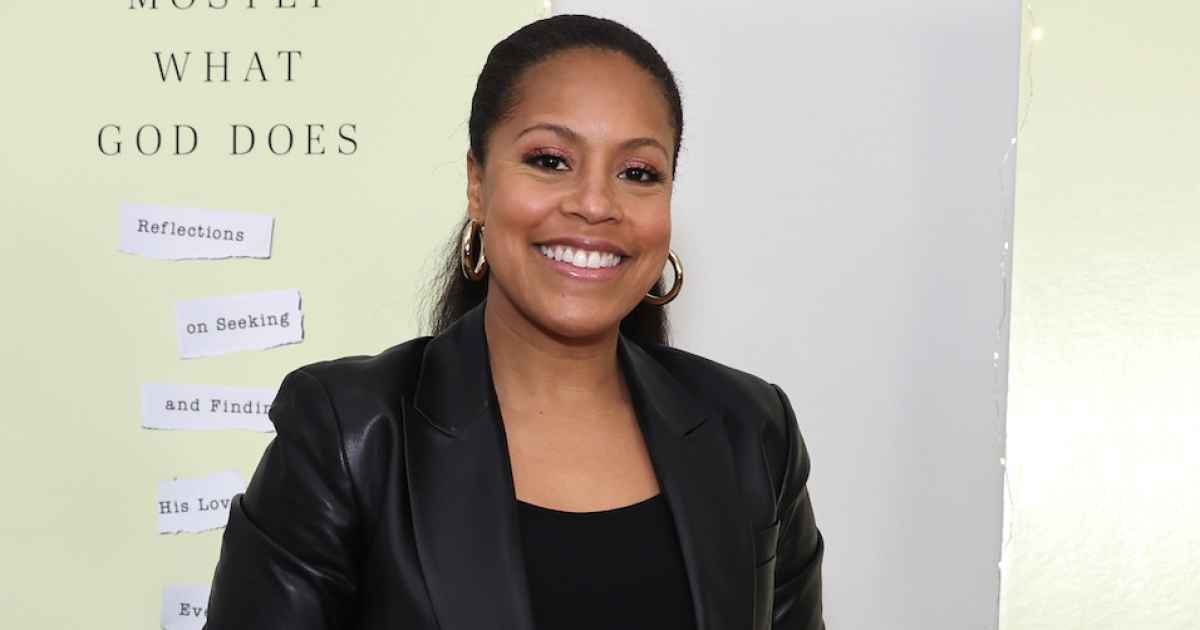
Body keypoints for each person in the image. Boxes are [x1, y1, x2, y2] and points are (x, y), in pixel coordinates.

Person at [203, 13, 824, 630]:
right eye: (550, 160)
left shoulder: (751, 432)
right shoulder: (347, 437)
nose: (595, 204)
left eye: (638, 173)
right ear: (478, 183)